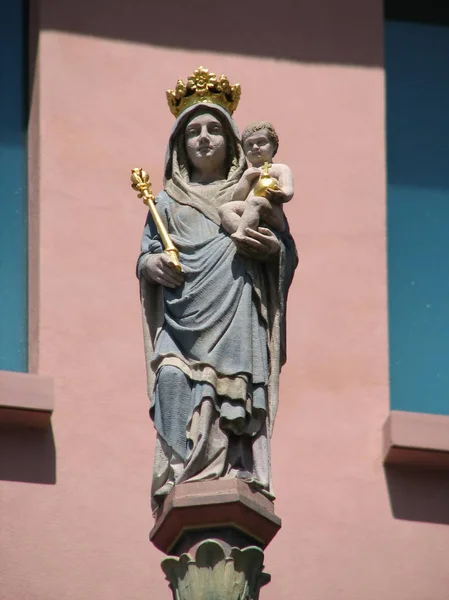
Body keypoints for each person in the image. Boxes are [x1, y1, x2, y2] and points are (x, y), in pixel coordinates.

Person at [137, 101, 297, 514]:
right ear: (180, 145)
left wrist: (273, 249)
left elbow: (285, 249)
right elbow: (148, 253)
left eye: (214, 130)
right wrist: (152, 265)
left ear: (231, 142)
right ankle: (178, 467)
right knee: (171, 377)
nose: (204, 138)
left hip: (236, 311)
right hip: (181, 319)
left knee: (233, 395)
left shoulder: (248, 191)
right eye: (194, 132)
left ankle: (236, 465)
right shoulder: (166, 203)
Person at [218, 121, 294, 241]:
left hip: (272, 212)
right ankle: (250, 234)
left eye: (261, 142)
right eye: (249, 144)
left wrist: (282, 194)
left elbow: (288, 189)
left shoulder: (280, 168)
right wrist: (246, 179)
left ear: (273, 146)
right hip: (249, 209)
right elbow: (237, 198)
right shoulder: (248, 173)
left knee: (256, 201)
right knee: (225, 208)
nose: (255, 147)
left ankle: (242, 234)